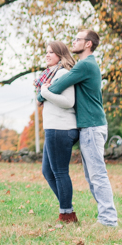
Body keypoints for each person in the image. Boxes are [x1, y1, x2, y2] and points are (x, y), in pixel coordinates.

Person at [46, 29, 118, 227]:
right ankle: (105, 217)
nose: (74, 42)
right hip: (90, 126)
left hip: (92, 126)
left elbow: (55, 88)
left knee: (97, 174)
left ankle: (108, 220)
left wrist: (42, 91)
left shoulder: (85, 65)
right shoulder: (85, 65)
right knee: (92, 175)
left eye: (78, 39)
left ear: (88, 44)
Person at [35, 41, 79, 224]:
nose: (47, 55)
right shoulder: (51, 74)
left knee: (60, 172)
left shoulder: (62, 73)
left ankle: (67, 214)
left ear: (61, 55)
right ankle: (67, 210)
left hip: (61, 128)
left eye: (51, 52)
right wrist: (43, 91)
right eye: (46, 52)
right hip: (53, 128)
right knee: (48, 171)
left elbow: (68, 102)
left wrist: (45, 93)